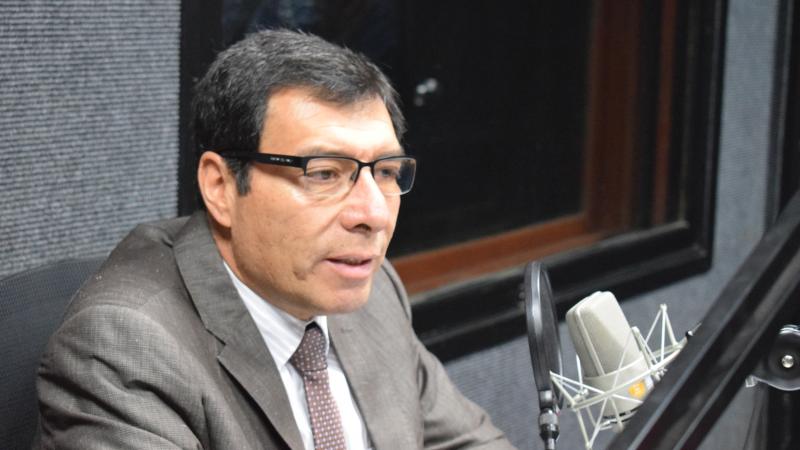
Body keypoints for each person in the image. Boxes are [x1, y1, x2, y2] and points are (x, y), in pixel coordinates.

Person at [35, 29, 515, 449]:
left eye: (386, 172)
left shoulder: (369, 289)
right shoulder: (126, 348)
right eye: (324, 173)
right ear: (221, 187)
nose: (373, 215)